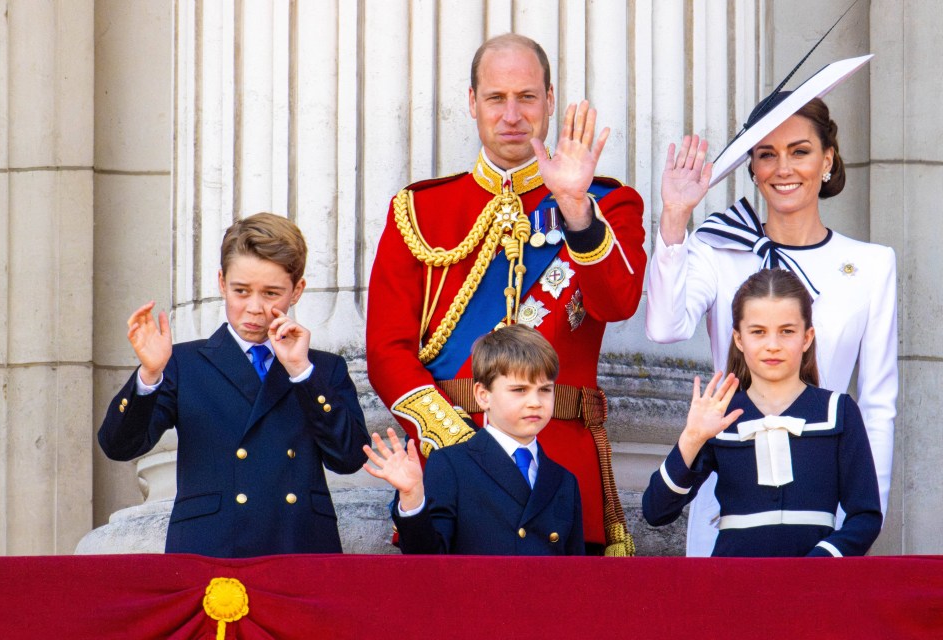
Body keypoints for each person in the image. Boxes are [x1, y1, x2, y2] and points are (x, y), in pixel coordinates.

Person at [366, 33, 646, 555]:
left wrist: (578, 212)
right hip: (451, 466)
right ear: (472, 103)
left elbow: (618, 302)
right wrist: (461, 446)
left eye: (527, 97)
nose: (512, 114)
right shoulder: (419, 210)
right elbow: (386, 350)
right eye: (496, 98)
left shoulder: (609, 203)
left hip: (561, 468)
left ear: (550, 99)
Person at [646, 93, 897, 556]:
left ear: (827, 159)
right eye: (767, 154)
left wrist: (859, 526)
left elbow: (879, 404)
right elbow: (664, 327)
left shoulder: (871, 264)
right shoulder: (716, 247)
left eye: (799, 151)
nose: (783, 168)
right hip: (729, 503)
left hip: (826, 515)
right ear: (753, 168)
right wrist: (676, 219)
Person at [98, 213, 371, 558]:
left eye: (271, 293)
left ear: (297, 290)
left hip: (298, 546)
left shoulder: (323, 368)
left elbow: (348, 458)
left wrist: (301, 372)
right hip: (210, 548)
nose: (254, 308)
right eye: (241, 291)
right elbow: (119, 445)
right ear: (221, 282)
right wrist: (149, 375)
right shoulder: (183, 363)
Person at [643, 269, 882, 556]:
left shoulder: (838, 411)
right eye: (758, 332)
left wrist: (819, 564)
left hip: (816, 587)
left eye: (787, 331)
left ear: (807, 338)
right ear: (739, 339)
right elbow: (656, 512)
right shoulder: (720, 416)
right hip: (734, 585)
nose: (772, 345)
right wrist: (692, 438)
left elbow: (866, 517)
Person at [364, 325, 585, 555]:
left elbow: (575, 575)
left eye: (545, 390)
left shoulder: (563, 481)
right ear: (483, 395)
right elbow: (428, 560)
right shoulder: (451, 465)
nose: (535, 402)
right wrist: (412, 498)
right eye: (519, 390)